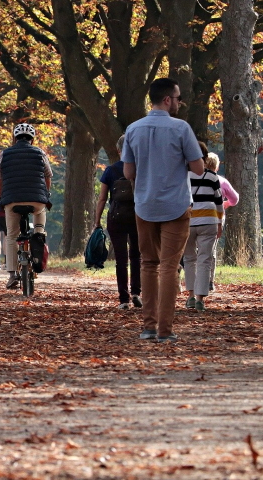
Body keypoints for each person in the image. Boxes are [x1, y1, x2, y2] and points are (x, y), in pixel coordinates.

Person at [122, 78, 205, 343]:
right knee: (169, 266)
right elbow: (199, 168)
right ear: (168, 99)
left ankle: (148, 326)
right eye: (178, 98)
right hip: (176, 205)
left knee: (148, 264)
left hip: (144, 205)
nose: (180, 102)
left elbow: (128, 172)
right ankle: (165, 330)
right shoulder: (181, 129)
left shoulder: (133, 130)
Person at [0, 123, 52, 289]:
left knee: (11, 235)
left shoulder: (5, 154)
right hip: (36, 200)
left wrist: (0, 195)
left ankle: (12, 275)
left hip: (12, 200)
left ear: (15, 138)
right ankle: (38, 237)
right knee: (40, 220)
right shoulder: (40, 153)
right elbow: (48, 175)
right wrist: (46, 194)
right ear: (32, 139)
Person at [94, 135, 142, 309]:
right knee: (137, 256)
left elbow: (101, 199)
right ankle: (136, 292)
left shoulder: (110, 170)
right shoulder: (140, 169)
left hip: (116, 217)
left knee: (121, 259)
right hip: (137, 216)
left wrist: (97, 221)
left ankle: (123, 299)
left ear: (118, 150)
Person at [182, 153, 224, 311]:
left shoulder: (185, 175)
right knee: (204, 260)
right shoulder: (213, 177)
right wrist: (219, 222)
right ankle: (200, 299)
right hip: (209, 220)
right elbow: (219, 201)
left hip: (188, 220)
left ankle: (191, 296)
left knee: (189, 259)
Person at [207, 152, 239, 292]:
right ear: (217, 166)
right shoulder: (222, 181)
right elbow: (235, 198)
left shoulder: (196, 178)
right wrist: (227, 203)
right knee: (211, 249)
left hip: (196, 216)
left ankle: (196, 279)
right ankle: (210, 281)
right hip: (217, 217)